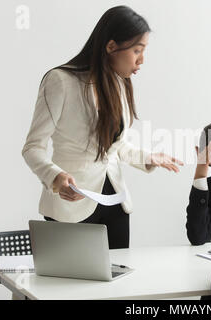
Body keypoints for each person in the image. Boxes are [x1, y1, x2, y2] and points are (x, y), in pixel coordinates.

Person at [22, 6, 183, 249]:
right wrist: (55, 177)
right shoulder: (60, 81)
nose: (142, 60)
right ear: (110, 46)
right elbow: (33, 148)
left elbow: (114, 148)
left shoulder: (118, 84)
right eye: (137, 50)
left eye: (144, 51)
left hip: (114, 201)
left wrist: (149, 157)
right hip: (72, 202)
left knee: (116, 282)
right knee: (72, 285)